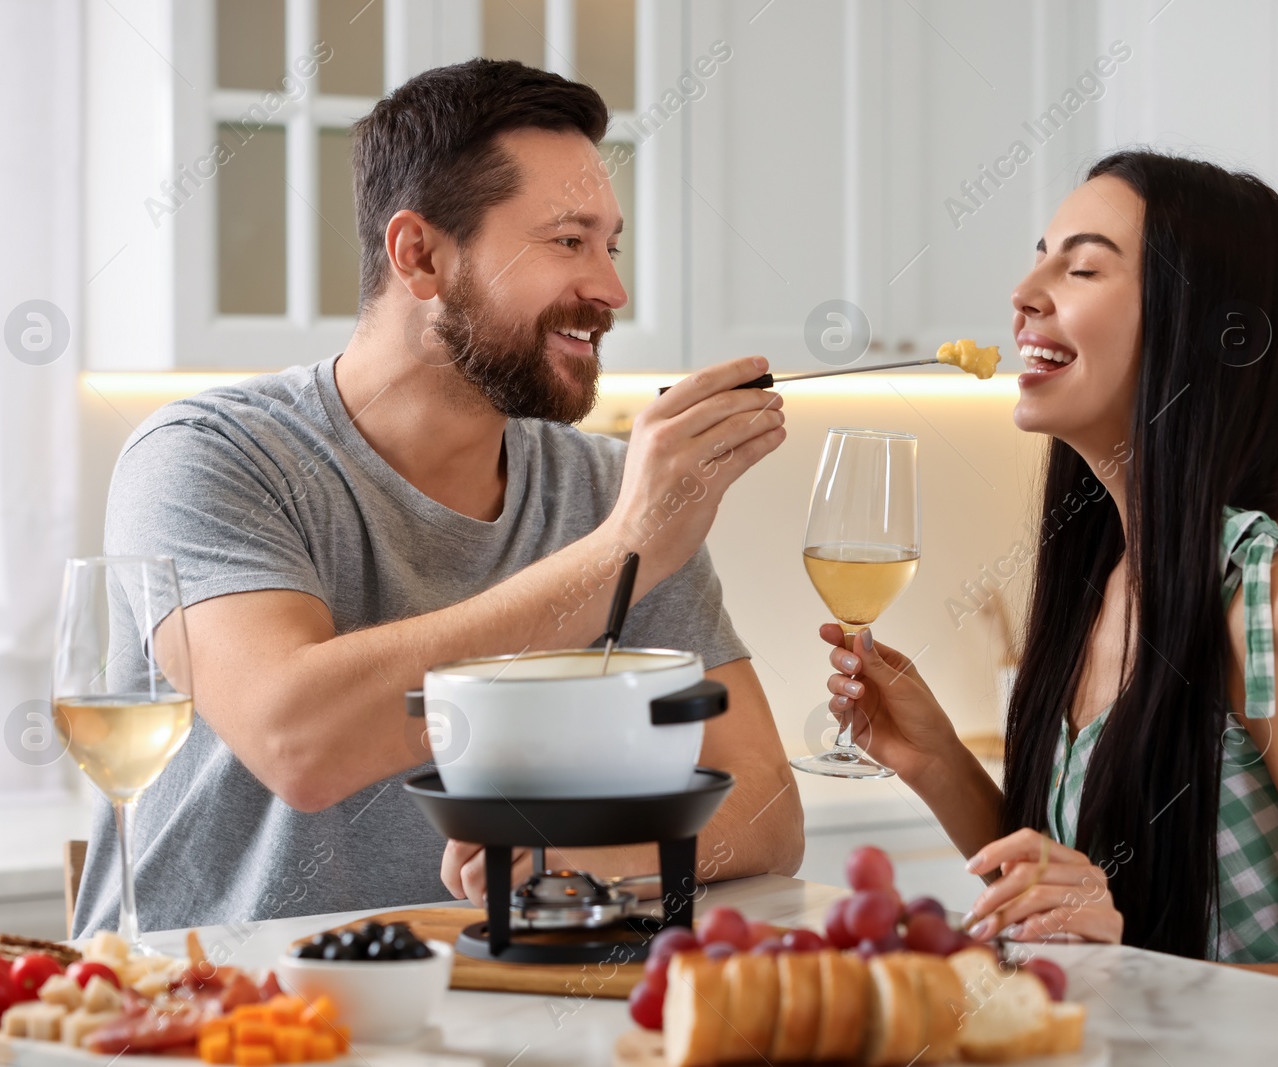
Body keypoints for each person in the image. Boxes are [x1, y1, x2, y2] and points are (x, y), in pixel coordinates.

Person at [70, 59, 801, 937]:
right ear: (418, 254)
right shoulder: (207, 456)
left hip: (490, 1007)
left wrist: (585, 850)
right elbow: (300, 741)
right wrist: (622, 552)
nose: (611, 289)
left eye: (611, 245)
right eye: (568, 241)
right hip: (217, 1017)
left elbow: (768, 808)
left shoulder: (609, 488)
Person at [823, 150, 1278, 1004]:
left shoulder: (1277, 598)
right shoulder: (1102, 572)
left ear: (1201, 328)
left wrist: (1140, 978)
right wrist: (940, 766)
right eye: (1040, 255)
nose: (1025, 291)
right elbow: (1081, 904)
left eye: (1079, 266)